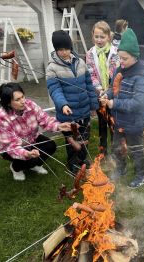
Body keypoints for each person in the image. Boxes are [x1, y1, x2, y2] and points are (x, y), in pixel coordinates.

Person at [100, 28, 144, 188]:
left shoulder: (142, 78)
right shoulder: (119, 70)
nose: (121, 61)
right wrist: (107, 95)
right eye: (119, 57)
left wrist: (114, 104)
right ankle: (121, 169)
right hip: (119, 120)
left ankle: (141, 176)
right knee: (117, 148)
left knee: (135, 150)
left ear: (135, 57)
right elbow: (113, 89)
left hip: (134, 123)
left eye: (125, 58)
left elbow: (138, 103)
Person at [46, 30, 98, 173]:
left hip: (84, 111)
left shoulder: (80, 62)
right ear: (56, 50)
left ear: (71, 47)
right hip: (68, 114)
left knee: (84, 138)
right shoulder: (52, 68)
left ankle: (82, 159)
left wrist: (93, 104)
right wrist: (63, 104)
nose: (64, 52)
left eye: (66, 49)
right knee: (72, 141)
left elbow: (89, 85)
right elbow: (54, 89)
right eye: (60, 49)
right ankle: (73, 163)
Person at [0, 83, 71, 181]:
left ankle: (35, 165)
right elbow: (11, 146)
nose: (23, 101)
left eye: (23, 96)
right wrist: (27, 154)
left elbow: (45, 120)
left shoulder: (30, 105)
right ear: (8, 103)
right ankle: (15, 168)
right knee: (31, 158)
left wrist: (58, 126)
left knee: (51, 146)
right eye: (17, 100)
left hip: (31, 138)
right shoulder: (2, 117)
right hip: (10, 148)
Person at [86, 21, 119, 156]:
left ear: (108, 37)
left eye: (102, 37)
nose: (99, 40)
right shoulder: (90, 53)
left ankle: (115, 148)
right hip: (99, 93)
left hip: (113, 93)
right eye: (96, 36)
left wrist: (109, 90)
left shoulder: (115, 52)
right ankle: (103, 150)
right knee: (102, 122)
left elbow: (115, 73)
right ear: (93, 36)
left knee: (113, 121)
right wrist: (99, 89)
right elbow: (91, 73)